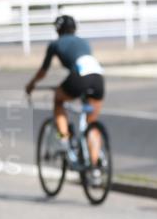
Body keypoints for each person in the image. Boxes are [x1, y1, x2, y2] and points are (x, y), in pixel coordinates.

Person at [24, 15, 107, 183]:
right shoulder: (84, 42)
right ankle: (94, 168)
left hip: (79, 78)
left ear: (57, 30)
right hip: (98, 78)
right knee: (92, 124)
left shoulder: (55, 44)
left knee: (59, 99)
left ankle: (63, 138)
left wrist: (31, 85)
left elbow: (43, 71)